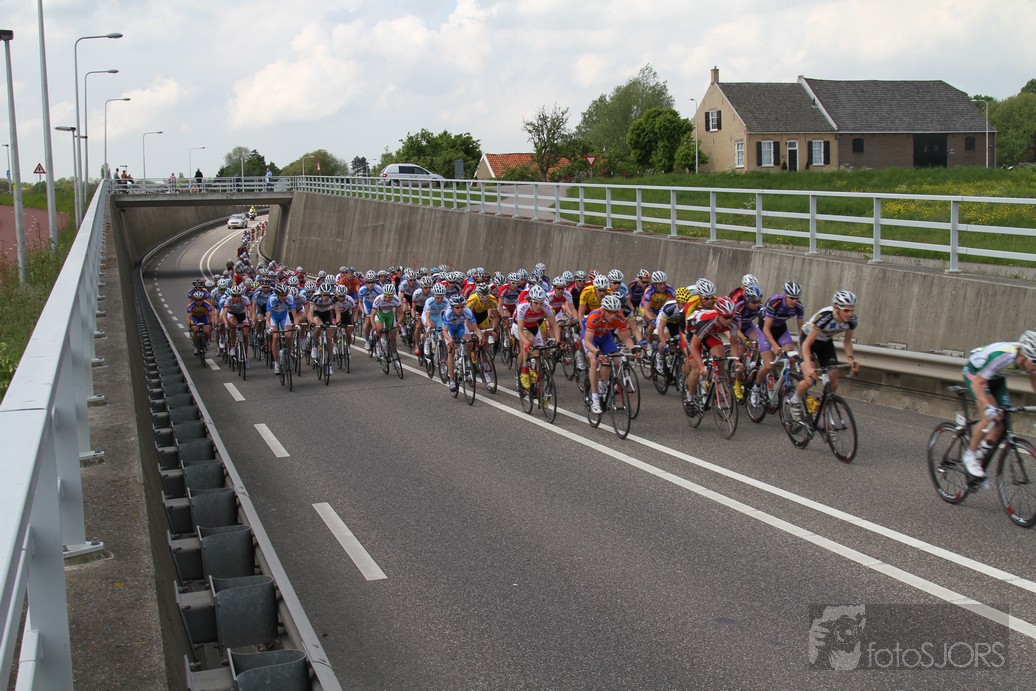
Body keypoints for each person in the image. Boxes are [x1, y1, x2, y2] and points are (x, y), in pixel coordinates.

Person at [959, 331, 1036, 477]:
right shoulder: (1004, 357)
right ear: (1024, 356)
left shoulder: (1030, 362)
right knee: (989, 416)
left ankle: (982, 453)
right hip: (976, 374)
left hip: (996, 377)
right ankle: (970, 455)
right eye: (1035, 362)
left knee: (1002, 421)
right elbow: (977, 384)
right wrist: (987, 406)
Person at [787, 290, 861, 421]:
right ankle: (795, 400)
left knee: (834, 380)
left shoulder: (851, 321)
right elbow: (806, 344)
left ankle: (822, 408)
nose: (850, 314)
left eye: (852, 310)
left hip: (825, 343)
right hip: (808, 341)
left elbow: (847, 341)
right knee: (810, 379)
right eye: (846, 310)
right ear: (836, 308)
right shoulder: (825, 318)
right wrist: (809, 367)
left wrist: (850, 359)